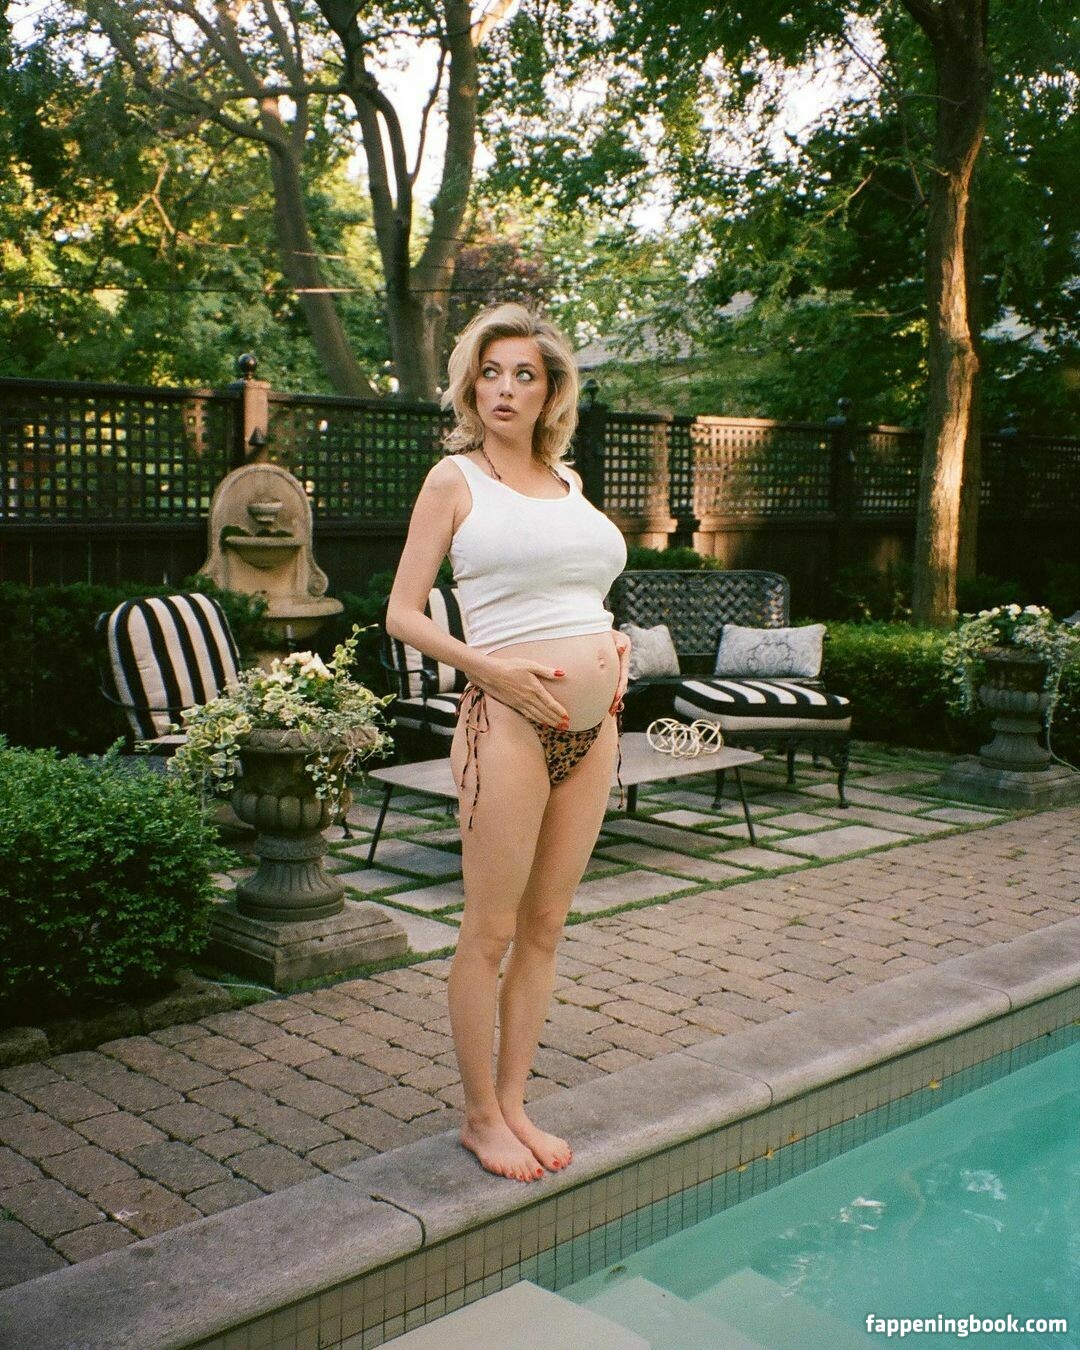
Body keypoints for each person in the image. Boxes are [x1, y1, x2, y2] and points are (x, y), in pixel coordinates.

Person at [385, 303, 630, 1183]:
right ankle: (479, 1116)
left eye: (525, 374)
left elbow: (578, 587)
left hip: (594, 728)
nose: (505, 388)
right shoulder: (454, 480)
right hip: (508, 725)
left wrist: (612, 641)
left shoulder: (569, 481)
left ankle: (516, 1100)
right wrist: (492, 670)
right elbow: (402, 613)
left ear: (550, 391)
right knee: (488, 931)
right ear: (470, 385)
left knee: (546, 925)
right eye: (490, 372)